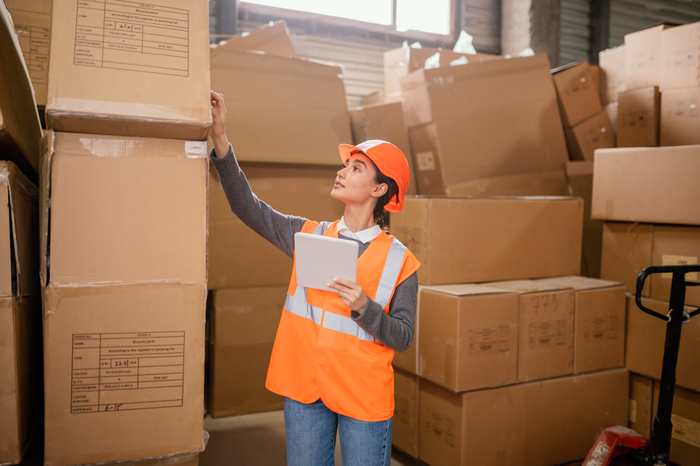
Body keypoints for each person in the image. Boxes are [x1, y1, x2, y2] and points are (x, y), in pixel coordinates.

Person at [209, 90, 420, 466]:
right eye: (345, 165)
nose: (341, 171)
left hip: (362, 397)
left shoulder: (401, 261)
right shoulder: (310, 236)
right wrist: (221, 141)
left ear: (379, 189)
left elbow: (402, 337)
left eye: (356, 168)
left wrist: (364, 308)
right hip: (306, 390)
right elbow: (247, 207)